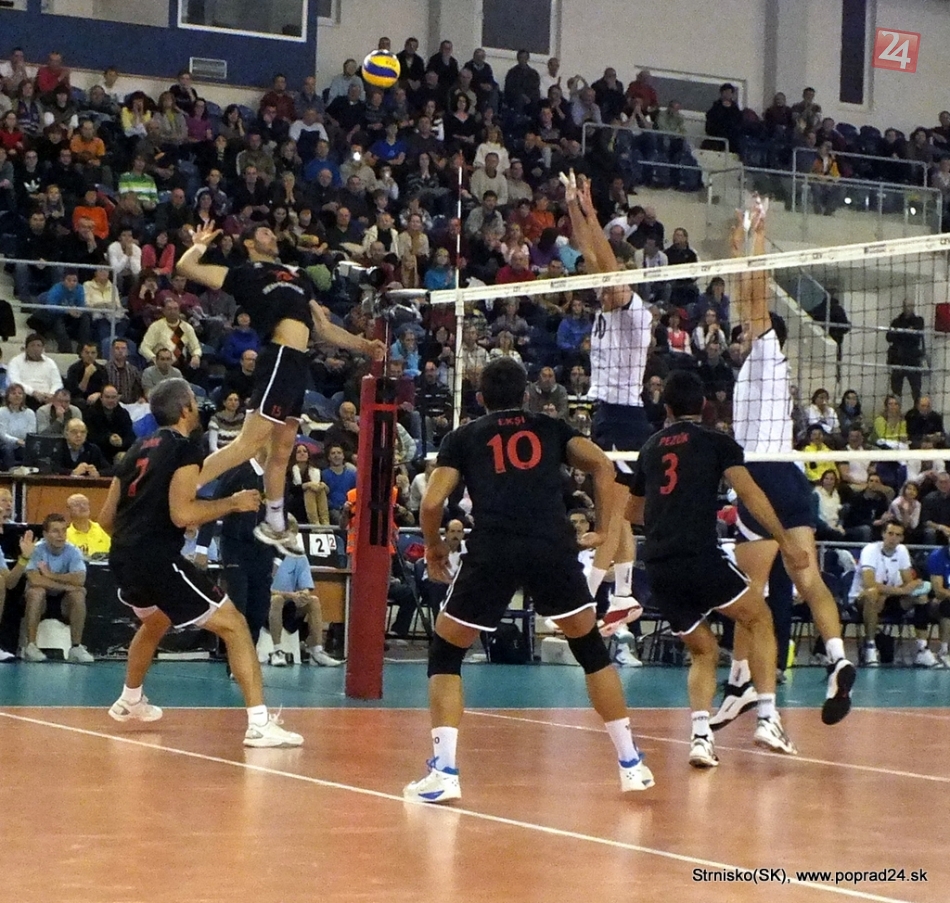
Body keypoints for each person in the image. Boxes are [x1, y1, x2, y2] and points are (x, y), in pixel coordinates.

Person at [403, 358, 654, 803]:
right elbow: (602, 465)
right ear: (526, 395)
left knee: (446, 652)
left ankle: (444, 772)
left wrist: (434, 545)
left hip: (494, 550)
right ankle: (630, 764)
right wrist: (603, 526)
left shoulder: (464, 436)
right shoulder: (550, 427)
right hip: (550, 547)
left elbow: (431, 503)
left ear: (480, 398)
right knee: (590, 650)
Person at [714, 196, 855, 730]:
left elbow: (755, 291)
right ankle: (837, 657)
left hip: (763, 478)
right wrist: (737, 248)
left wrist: (757, 235)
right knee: (807, 576)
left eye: (744, 329)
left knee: (747, 596)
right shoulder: (759, 365)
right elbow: (745, 294)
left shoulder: (768, 350)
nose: (738, 333)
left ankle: (739, 684)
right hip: (792, 479)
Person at [98, 379, 303, 746]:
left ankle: (130, 699)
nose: (198, 404)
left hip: (123, 556)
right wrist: (232, 503)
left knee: (156, 620)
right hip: (157, 558)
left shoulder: (137, 449)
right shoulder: (184, 448)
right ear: (185, 409)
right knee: (235, 626)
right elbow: (183, 514)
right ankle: (259, 724)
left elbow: (106, 519)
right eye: (194, 399)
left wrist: (143, 529)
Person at [175, 222, 385, 554]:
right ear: (249, 243)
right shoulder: (247, 274)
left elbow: (324, 328)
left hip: (298, 363)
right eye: (264, 233)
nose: (272, 235)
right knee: (248, 444)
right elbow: (186, 267)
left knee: (283, 449)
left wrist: (365, 345)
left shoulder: (298, 276)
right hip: (278, 357)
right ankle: (185, 487)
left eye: (272, 233)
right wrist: (199, 244)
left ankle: (274, 522)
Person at [627, 371, 802, 766]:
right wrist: (786, 540)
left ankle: (701, 738)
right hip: (699, 556)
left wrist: (669, 508)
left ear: (667, 408)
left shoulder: (650, 448)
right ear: (704, 405)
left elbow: (632, 512)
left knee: (703, 651)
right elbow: (750, 493)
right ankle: (767, 718)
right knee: (759, 617)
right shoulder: (717, 442)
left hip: (659, 565)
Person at [558, 170, 649, 632]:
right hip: (610, 416)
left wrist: (593, 214)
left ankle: (586, 596)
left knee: (610, 516)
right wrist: (575, 207)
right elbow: (594, 258)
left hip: (624, 417)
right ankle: (625, 596)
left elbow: (607, 267)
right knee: (619, 516)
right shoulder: (608, 306)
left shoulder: (634, 311)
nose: (600, 280)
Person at [267, 516, 341, 667]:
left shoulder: (299, 556)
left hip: (290, 605)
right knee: (277, 599)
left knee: (313, 600)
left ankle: (317, 651)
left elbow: (305, 585)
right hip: (266, 606)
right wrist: (289, 595)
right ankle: (277, 651)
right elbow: (264, 589)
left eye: (292, 533)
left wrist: (304, 594)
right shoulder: (265, 555)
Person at [22, 513, 93, 663]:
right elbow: (35, 579)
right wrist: (67, 586)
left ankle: (76, 647)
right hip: (41, 602)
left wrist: (50, 575)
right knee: (36, 592)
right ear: (45, 534)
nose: (61, 535)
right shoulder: (36, 550)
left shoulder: (73, 551)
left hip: (63, 602)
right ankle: (31, 646)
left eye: (63, 530)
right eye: (55, 531)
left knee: (78, 595)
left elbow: (80, 579)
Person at [66, 492, 111, 557]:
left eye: (85, 503)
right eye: (77, 504)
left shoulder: (103, 528)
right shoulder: (65, 536)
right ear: (69, 510)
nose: (82, 506)